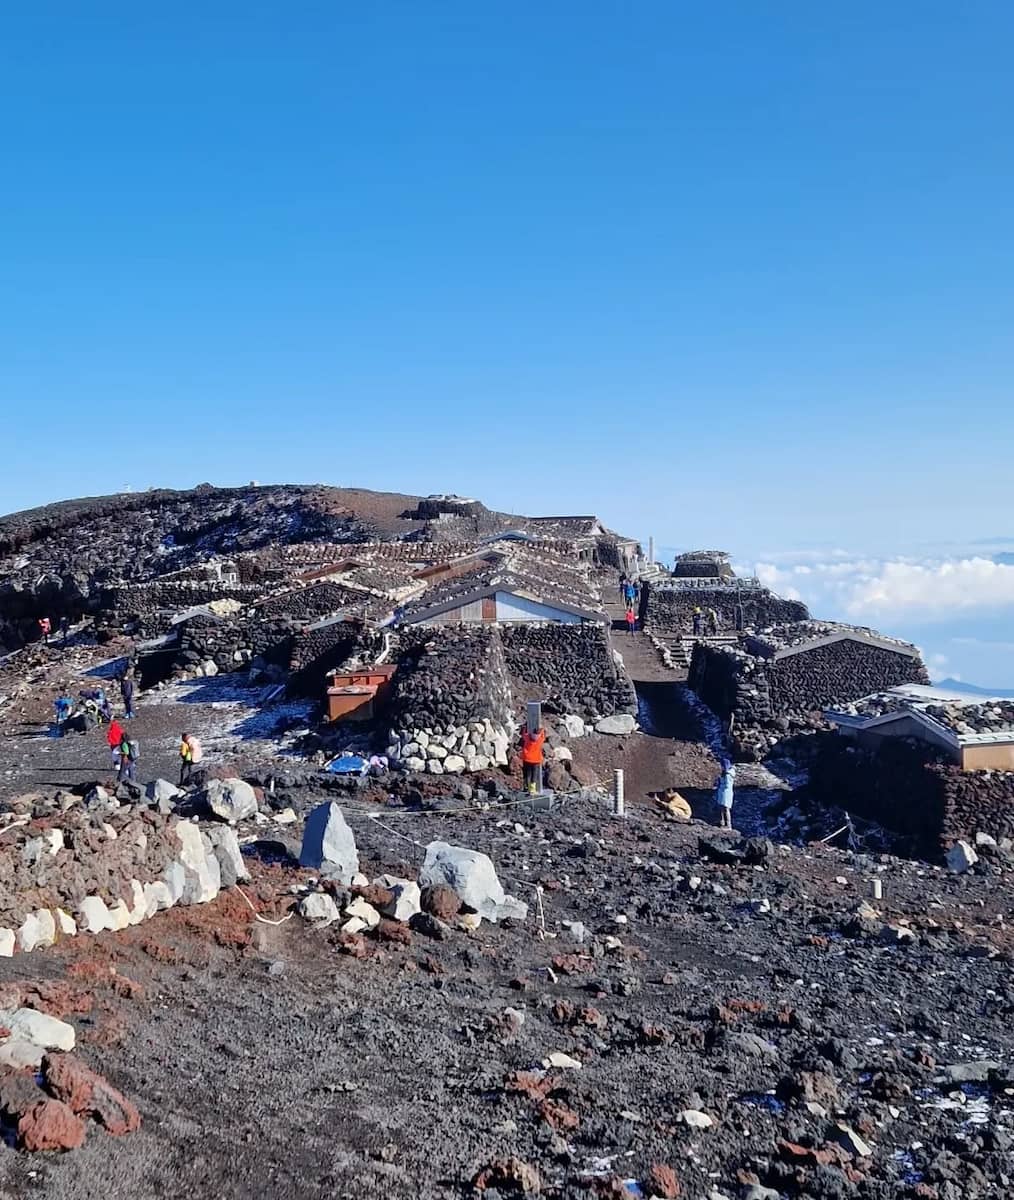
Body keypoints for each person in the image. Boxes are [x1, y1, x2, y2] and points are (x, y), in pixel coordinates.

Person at [520, 723, 546, 795]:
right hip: (536, 760)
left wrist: (525, 728)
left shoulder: (527, 738)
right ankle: (532, 790)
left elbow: (523, 734)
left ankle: (525, 787)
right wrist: (542, 729)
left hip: (526, 759)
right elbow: (543, 736)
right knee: (534, 775)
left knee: (526, 774)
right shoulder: (539, 741)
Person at [715, 761, 736, 829]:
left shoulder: (728, 775)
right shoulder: (725, 774)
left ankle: (728, 825)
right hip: (722, 792)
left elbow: (727, 785)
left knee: (726, 808)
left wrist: (720, 783)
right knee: (721, 807)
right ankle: (722, 822)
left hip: (726, 793)